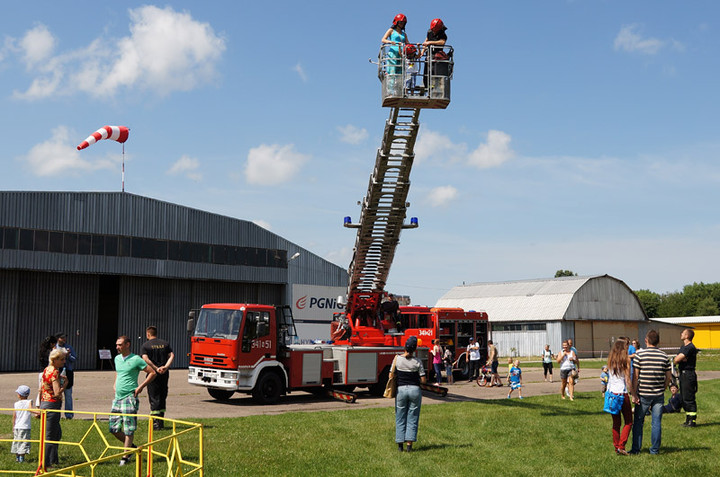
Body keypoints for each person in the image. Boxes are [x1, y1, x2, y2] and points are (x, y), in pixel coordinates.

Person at [110, 335, 156, 466]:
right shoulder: (117, 358)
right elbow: (118, 372)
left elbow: (152, 372)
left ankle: (125, 457)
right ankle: (132, 448)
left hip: (130, 397)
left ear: (127, 345)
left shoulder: (136, 359)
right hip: (117, 398)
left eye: (120, 345)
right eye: (117, 345)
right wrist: (115, 384)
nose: (117, 347)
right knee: (113, 428)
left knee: (129, 428)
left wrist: (141, 387)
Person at [630, 330, 672, 455]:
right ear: (658, 341)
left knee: (638, 422)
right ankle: (655, 449)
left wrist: (634, 393)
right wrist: (664, 387)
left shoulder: (640, 356)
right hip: (658, 394)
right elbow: (669, 377)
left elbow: (635, 377)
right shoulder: (664, 356)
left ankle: (636, 449)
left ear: (646, 340)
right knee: (656, 422)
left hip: (643, 393)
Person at [393, 335, 426, 452]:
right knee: (413, 416)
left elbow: (391, 375)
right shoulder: (418, 362)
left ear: (404, 347)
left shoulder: (397, 359)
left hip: (401, 390)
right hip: (415, 390)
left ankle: (400, 445)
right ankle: (409, 446)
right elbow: (423, 380)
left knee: (400, 416)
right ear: (415, 349)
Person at [141, 326, 175, 430]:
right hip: (164, 374)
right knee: (163, 395)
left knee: (154, 397)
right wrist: (165, 367)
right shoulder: (165, 343)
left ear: (148, 334)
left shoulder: (146, 345)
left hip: (153, 374)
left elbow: (145, 359)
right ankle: (161, 421)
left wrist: (156, 368)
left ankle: (156, 424)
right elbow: (172, 356)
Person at [40, 348, 67, 470]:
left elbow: (42, 389)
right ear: (55, 360)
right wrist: (65, 384)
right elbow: (56, 393)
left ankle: (53, 459)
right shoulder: (55, 372)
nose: (64, 362)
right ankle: (46, 463)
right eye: (61, 359)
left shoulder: (46, 370)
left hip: (45, 403)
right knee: (50, 436)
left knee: (56, 433)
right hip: (52, 404)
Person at [606, 339, 632, 455]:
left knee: (616, 423)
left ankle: (616, 447)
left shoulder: (610, 360)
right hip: (622, 393)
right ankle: (621, 446)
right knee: (628, 421)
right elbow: (627, 379)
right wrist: (633, 393)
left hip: (612, 394)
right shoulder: (626, 360)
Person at [674, 328, 698, 427]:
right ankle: (688, 419)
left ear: (687, 336)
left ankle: (692, 421)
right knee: (684, 397)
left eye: (683, 333)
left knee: (689, 398)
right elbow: (678, 359)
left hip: (688, 374)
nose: (681, 334)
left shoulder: (690, 347)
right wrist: (679, 359)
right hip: (683, 374)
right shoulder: (683, 347)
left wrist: (679, 359)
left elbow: (677, 359)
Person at [11, 385, 37, 463]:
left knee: (17, 441)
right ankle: (21, 458)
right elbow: (30, 409)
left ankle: (17, 457)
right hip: (25, 426)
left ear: (19, 394)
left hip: (17, 426)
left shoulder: (16, 404)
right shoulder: (29, 401)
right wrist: (40, 412)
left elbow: (14, 416)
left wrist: (13, 425)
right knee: (23, 442)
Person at [381, 14, 409, 78]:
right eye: (401, 22)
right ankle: (391, 86)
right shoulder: (391, 30)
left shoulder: (404, 34)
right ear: (397, 22)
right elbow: (383, 39)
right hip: (393, 53)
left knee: (401, 73)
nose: (402, 24)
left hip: (401, 54)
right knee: (392, 72)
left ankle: (399, 86)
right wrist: (390, 42)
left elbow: (407, 43)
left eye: (403, 23)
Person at [55, 333, 76, 419]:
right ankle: (56, 413)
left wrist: (68, 356)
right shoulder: (55, 348)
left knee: (68, 393)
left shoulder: (69, 347)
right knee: (57, 392)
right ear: (58, 339)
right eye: (62, 338)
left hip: (68, 371)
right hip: (57, 371)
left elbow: (74, 358)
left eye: (65, 338)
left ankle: (69, 414)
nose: (64, 339)